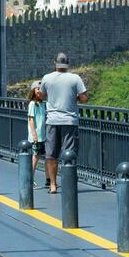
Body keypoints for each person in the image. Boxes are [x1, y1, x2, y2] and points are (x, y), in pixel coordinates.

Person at [38, 53, 88, 193]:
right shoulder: (75, 78)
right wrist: (75, 96)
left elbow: (41, 96)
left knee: (51, 154)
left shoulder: (47, 78)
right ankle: (68, 184)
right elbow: (84, 98)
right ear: (68, 63)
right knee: (69, 154)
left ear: (55, 63)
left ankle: (53, 185)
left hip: (52, 120)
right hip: (70, 121)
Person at [26, 84, 47, 187]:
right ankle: (30, 178)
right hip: (37, 135)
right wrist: (34, 135)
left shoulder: (43, 104)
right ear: (33, 91)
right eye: (38, 89)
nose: (40, 91)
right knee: (35, 157)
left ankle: (48, 179)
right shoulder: (32, 104)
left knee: (48, 157)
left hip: (44, 135)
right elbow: (31, 120)